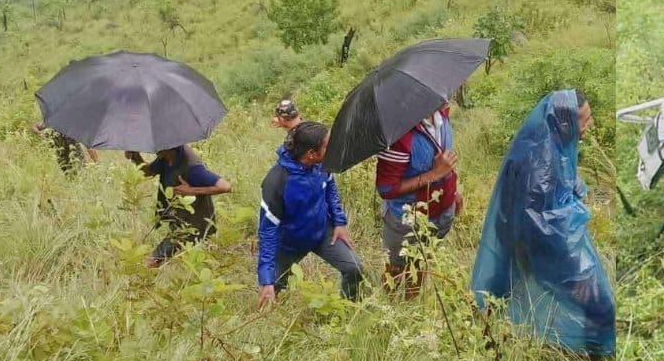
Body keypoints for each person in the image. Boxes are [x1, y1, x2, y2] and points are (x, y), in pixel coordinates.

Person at [470, 90, 614, 358]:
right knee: (601, 307)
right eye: (584, 119)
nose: (589, 125)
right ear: (565, 123)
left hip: (512, 238)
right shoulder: (540, 164)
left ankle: (483, 342)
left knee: (497, 293)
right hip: (542, 248)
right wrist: (577, 270)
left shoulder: (542, 141)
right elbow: (545, 227)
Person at [256, 121, 364, 309]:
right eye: (327, 146)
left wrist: (339, 222)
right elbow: (267, 231)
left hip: (322, 233)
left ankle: (348, 311)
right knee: (271, 292)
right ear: (311, 154)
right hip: (288, 244)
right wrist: (266, 279)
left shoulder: (322, 164)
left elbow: (330, 187)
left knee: (354, 268)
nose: (332, 149)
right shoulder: (276, 182)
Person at [377, 102, 462, 299]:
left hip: (442, 209)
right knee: (398, 264)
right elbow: (386, 188)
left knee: (422, 261)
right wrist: (434, 174)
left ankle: (410, 304)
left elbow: (446, 158)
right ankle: (387, 304)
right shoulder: (399, 136)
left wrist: (454, 190)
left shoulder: (442, 114)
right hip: (408, 218)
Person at [125, 145, 231, 267]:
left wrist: (191, 191)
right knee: (190, 263)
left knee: (152, 261)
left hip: (195, 224)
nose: (153, 147)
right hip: (180, 220)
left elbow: (225, 186)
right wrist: (136, 157)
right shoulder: (166, 156)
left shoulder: (193, 168)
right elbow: (149, 172)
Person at [31, 122, 98, 175]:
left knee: (78, 176)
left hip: (74, 157)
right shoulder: (56, 122)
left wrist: (97, 161)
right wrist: (40, 133)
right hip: (64, 157)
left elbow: (89, 145)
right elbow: (35, 126)